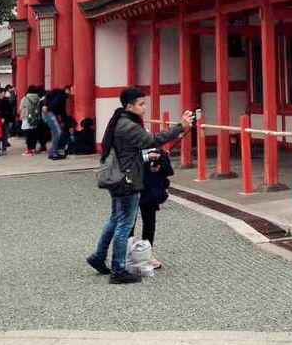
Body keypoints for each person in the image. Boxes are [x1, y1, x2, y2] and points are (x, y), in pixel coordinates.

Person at [87, 87, 193, 284]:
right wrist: (181, 126)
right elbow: (152, 140)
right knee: (124, 224)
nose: (144, 108)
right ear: (130, 106)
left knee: (114, 219)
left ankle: (98, 256)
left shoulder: (119, 120)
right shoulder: (129, 126)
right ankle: (118, 270)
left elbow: (130, 150)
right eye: (141, 104)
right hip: (127, 180)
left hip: (117, 177)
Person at [133, 147, 174, 269]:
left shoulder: (157, 151)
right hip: (132, 188)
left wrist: (160, 160)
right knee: (129, 224)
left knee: (149, 224)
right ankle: (127, 255)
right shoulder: (129, 146)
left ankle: (147, 254)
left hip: (149, 191)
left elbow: (168, 171)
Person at [42, 84, 72, 160]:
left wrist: (64, 121)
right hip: (49, 112)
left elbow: (62, 111)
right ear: (67, 89)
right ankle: (53, 153)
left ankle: (53, 151)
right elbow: (47, 96)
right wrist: (45, 105)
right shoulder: (59, 93)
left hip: (51, 114)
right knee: (57, 132)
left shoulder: (62, 97)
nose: (71, 93)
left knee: (57, 132)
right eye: (70, 90)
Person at [20, 85, 42, 155]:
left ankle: (29, 150)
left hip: (27, 118)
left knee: (28, 135)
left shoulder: (25, 98)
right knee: (33, 133)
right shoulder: (38, 98)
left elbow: (21, 108)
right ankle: (33, 148)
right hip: (35, 118)